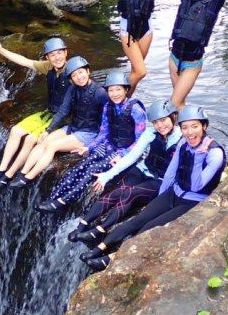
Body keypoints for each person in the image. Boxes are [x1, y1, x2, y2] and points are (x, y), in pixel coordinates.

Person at [79, 105, 227, 272]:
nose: (189, 132)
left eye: (195, 126)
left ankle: (112, 258)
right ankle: (99, 248)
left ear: (204, 126)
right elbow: (171, 172)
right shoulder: (184, 144)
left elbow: (196, 185)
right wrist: (160, 199)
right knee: (139, 219)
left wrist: (199, 157)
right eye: (185, 127)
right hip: (173, 193)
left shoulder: (214, 153)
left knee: (149, 228)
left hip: (192, 201)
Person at [68, 99, 182, 242]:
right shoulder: (151, 132)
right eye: (156, 122)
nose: (160, 125)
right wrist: (107, 176)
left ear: (173, 117)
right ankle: (82, 225)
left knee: (130, 193)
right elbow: (132, 156)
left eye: (163, 120)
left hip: (159, 180)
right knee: (117, 190)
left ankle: (100, 229)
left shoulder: (182, 139)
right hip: (143, 169)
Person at [36, 71, 147, 212]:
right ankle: (54, 197)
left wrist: (123, 155)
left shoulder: (136, 110)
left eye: (118, 89)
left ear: (126, 89)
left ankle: (64, 200)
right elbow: (104, 132)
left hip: (125, 151)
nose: (115, 93)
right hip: (109, 145)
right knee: (81, 166)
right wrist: (89, 147)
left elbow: (141, 140)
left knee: (91, 171)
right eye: (111, 90)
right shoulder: (108, 106)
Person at [0, 35, 72, 191]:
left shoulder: (74, 72)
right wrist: (1, 50)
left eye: (59, 53)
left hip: (64, 118)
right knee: (16, 130)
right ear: (47, 58)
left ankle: (8, 176)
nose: (56, 57)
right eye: (52, 54)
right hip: (49, 112)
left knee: (30, 139)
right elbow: (25, 61)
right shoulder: (48, 67)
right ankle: (0, 170)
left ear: (66, 53)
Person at [8, 56, 109, 189]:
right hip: (73, 126)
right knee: (44, 141)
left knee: (52, 146)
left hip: (88, 133)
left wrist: (93, 146)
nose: (79, 77)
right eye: (74, 75)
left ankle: (29, 177)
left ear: (88, 71)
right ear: (71, 79)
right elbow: (62, 112)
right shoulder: (72, 89)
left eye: (81, 72)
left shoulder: (100, 93)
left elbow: (109, 120)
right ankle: (22, 173)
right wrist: (48, 130)